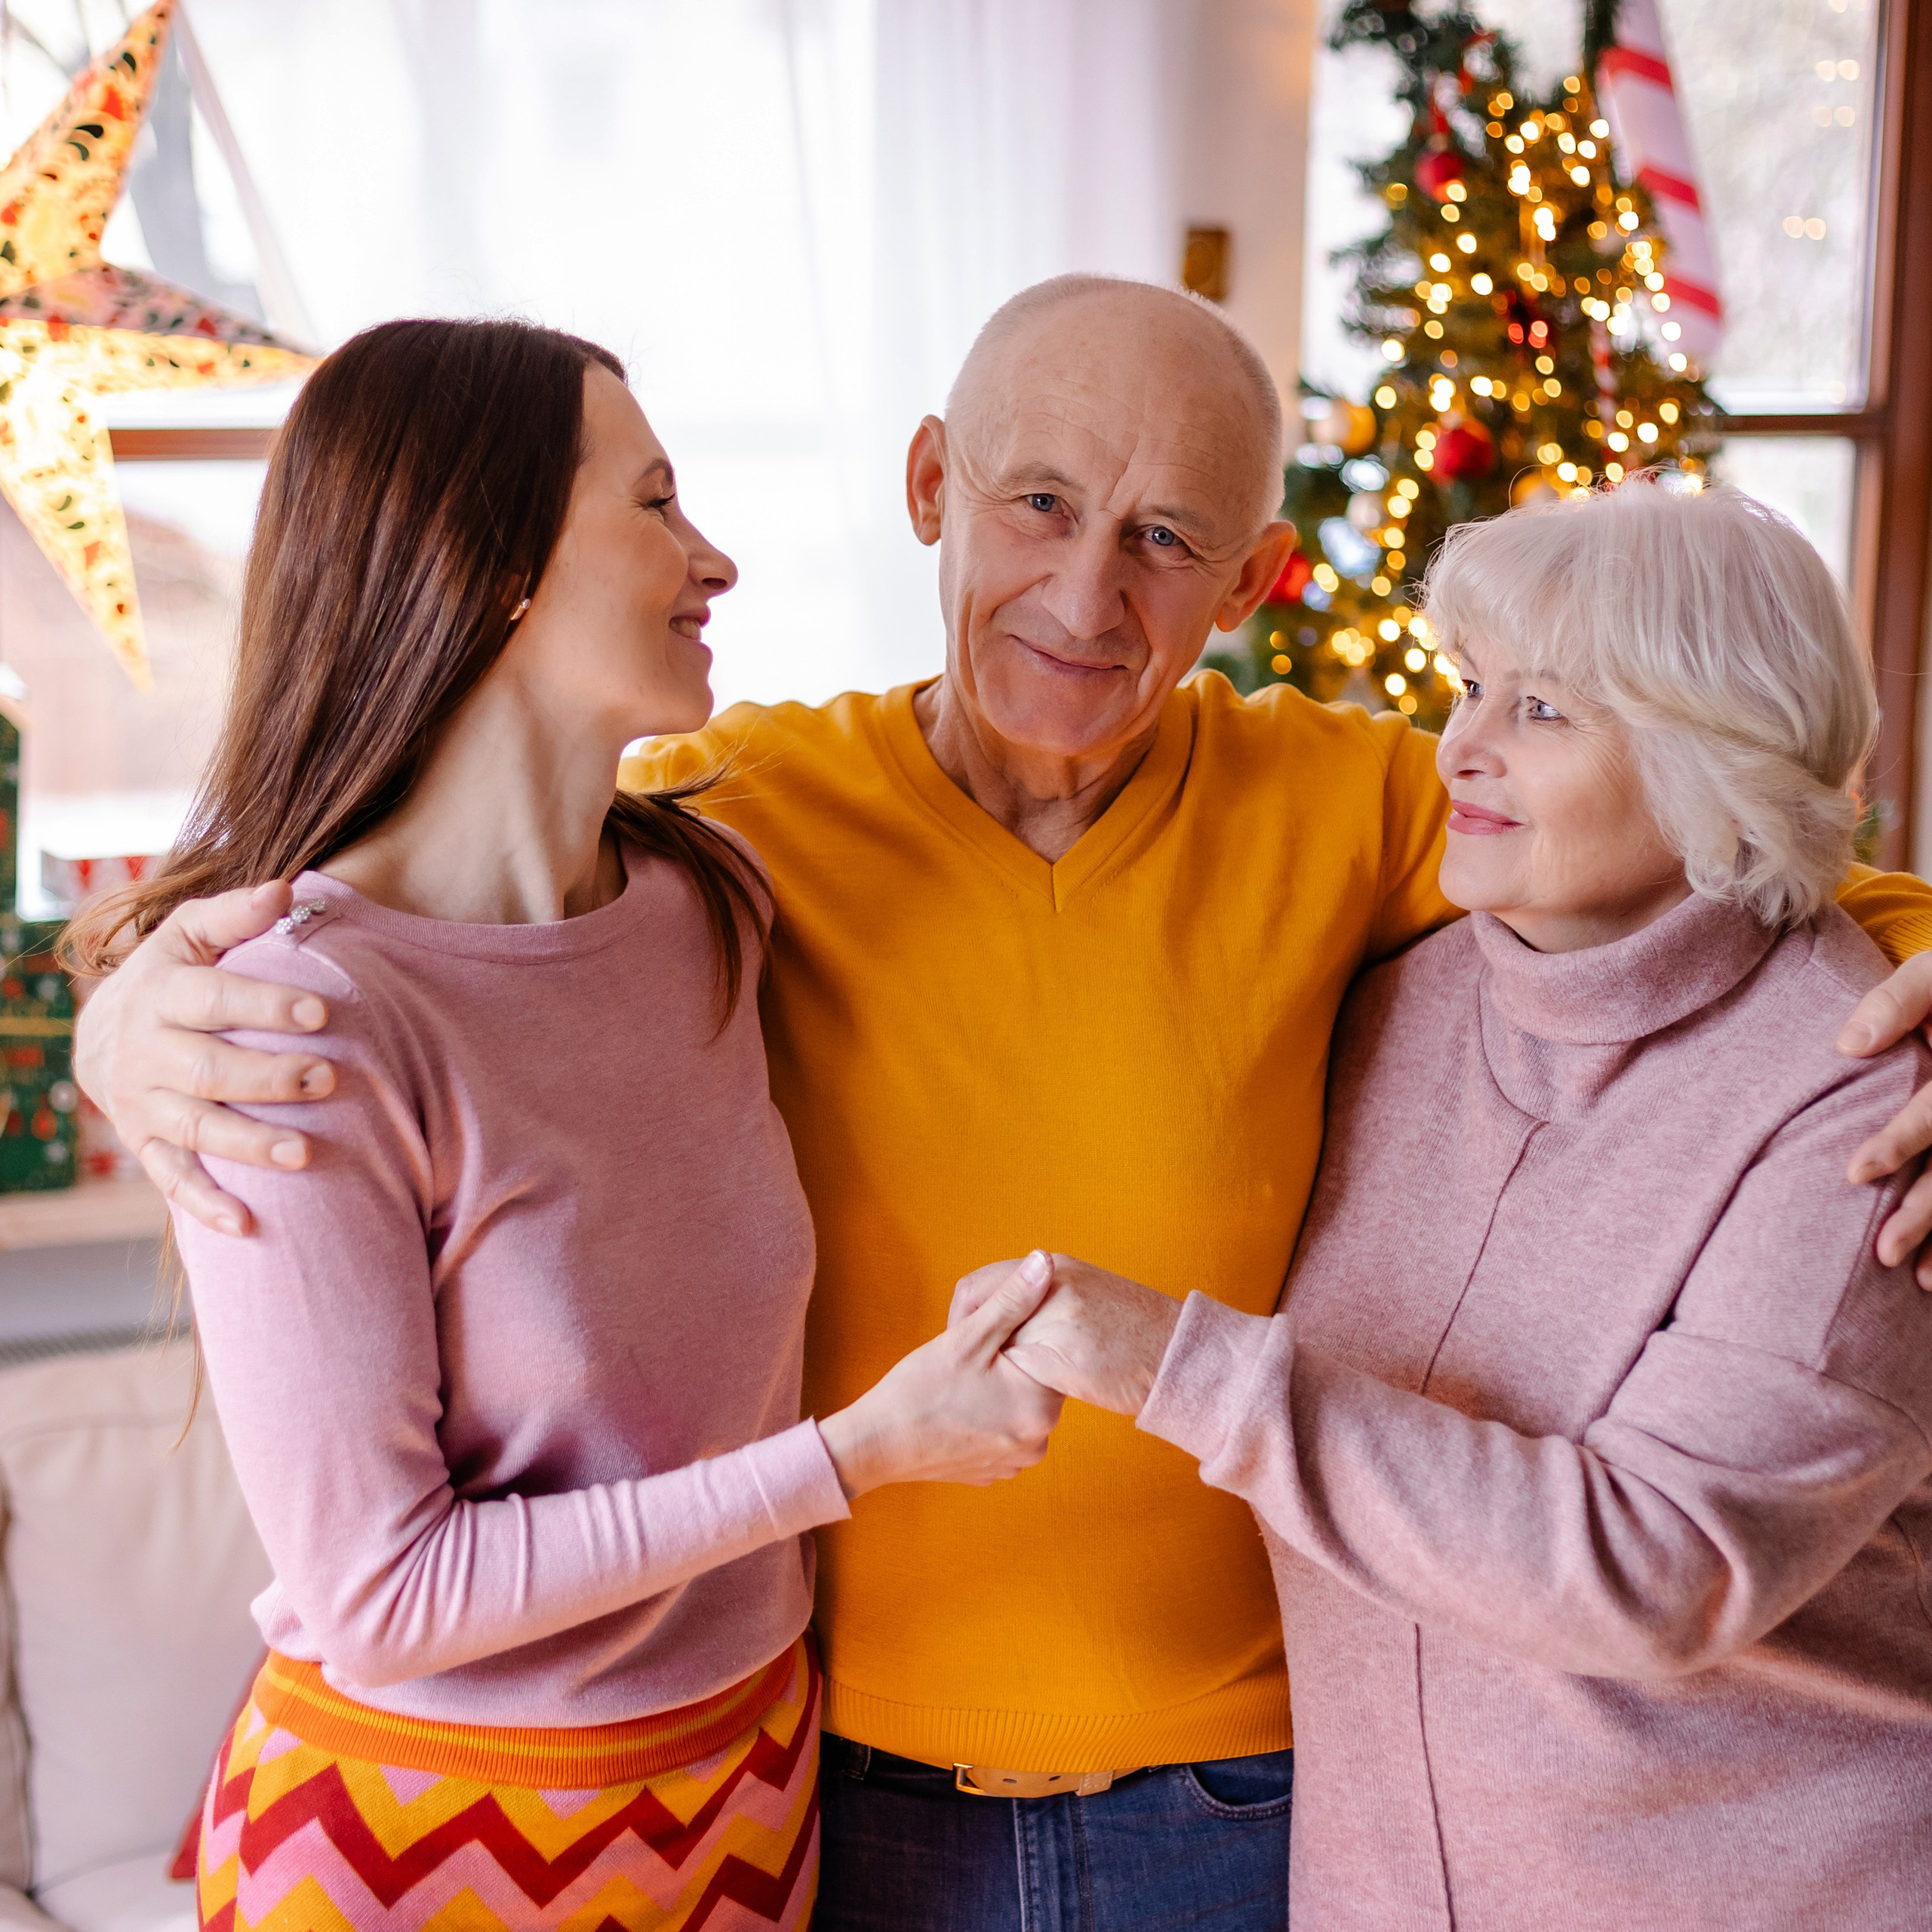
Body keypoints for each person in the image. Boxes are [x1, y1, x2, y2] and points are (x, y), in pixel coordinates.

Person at [70, 278, 1932, 1932]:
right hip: (830, 1788)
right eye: (1037, 503)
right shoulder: (735, 829)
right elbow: (407, 890)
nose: (1081, 592)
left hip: (1250, 1804)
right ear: (927, 490)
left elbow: (1713, 830)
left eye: (1162, 537)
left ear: (1251, 581)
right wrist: (131, 1008)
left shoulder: (1357, 809)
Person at [63, 317, 1066, 1932]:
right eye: (656, 502)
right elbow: (382, 1596)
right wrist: (855, 1455)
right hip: (420, 1839)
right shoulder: (293, 1019)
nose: (713, 555)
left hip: (741, 1791)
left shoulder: (710, 897)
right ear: (494, 555)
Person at [998, 481, 1932, 1929]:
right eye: (1474, 688)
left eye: (1545, 710)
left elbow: (1653, 1566)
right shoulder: (1396, 1003)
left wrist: (1177, 1368)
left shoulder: (1858, 1107)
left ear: (1716, 756)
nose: (1463, 747)